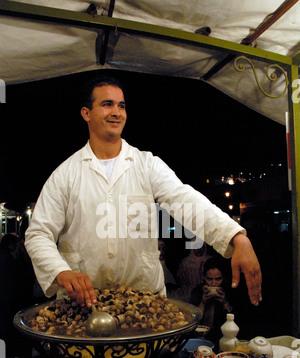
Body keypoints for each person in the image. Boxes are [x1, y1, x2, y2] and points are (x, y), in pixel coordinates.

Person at [25, 74, 262, 309]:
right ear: (86, 113)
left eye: (121, 105)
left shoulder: (147, 165)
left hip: (143, 302)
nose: (116, 112)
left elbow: (185, 200)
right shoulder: (65, 174)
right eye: (107, 104)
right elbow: (38, 234)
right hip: (83, 304)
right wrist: (61, 272)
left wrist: (236, 237)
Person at [190, 257, 232, 341]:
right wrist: (202, 302)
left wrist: (225, 303)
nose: (213, 283)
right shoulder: (197, 291)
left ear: (223, 278)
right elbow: (191, 320)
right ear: (204, 278)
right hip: (199, 337)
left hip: (221, 337)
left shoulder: (229, 291)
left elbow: (236, 321)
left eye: (218, 279)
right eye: (209, 279)